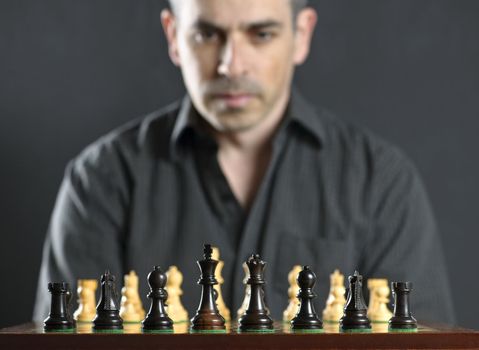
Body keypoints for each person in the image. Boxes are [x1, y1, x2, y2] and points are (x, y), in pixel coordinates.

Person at [33, 0, 455, 324]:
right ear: (173, 35)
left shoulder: (380, 181)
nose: (231, 64)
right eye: (207, 34)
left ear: (302, 34)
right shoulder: (101, 180)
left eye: (261, 34)